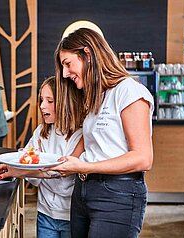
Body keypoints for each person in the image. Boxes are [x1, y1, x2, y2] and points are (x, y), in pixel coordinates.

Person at [46, 28, 154, 238]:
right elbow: (80, 152)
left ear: (87, 54)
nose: (66, 73)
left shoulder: (129, 91)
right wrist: (19, 170)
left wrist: (84, 166)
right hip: (84, 191)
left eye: (68, 64)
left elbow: (143, 158)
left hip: (117, 195)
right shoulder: (97, 96)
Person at [0, 76, 85, 238]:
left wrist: (20, 171)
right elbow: (27, 163)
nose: (42, 106)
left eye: (50, 101)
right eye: (41, 99)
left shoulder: (81, 135)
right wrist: (20, 167)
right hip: (45, 213)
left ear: (67, 102)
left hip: (71, 216)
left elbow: (62, 179)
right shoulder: (41, 132)